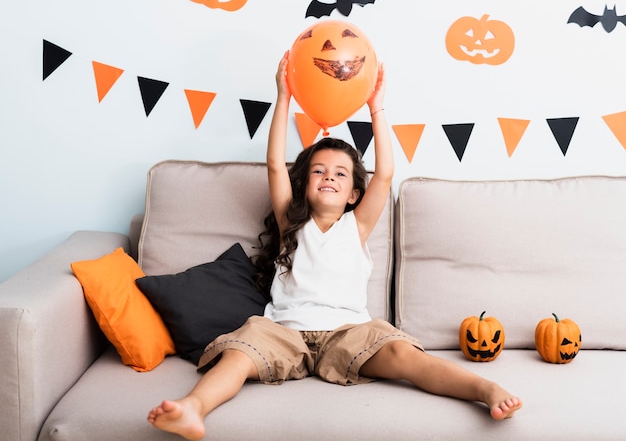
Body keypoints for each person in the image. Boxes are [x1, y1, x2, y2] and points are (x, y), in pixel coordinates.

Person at [147, 52, 522, 440]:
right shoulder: (291, 222)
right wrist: (284, 97)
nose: (329, 177)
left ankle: (485, 390)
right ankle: (193, 408)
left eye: (340, 174)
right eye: (319, 171)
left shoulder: (355, 226)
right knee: (239, 353)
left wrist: (376, 107)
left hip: (349, 333)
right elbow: (275, 164)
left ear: (354, 193)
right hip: (283, 331)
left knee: (403, 355)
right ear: (304, 184)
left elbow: (387, 172)